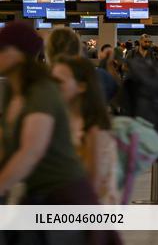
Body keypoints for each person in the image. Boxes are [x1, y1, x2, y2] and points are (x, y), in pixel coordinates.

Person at [0, 22, 116, 244]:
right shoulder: (12, 91)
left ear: (21, 54)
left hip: (64, 197)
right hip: (36, 194)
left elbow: (30, 151)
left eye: (3, 49)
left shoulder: (42, 91)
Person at [51, 55, 119, 205]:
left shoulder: (94, 129)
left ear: (81, 86)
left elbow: (93, 183)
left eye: (59, 82)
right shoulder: (62, 120)